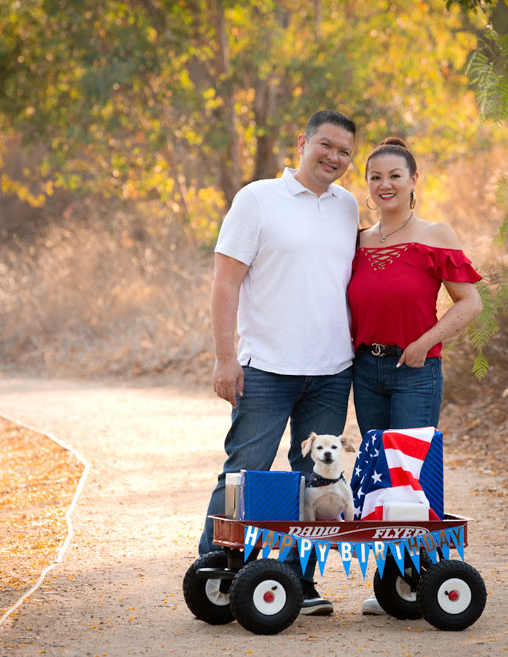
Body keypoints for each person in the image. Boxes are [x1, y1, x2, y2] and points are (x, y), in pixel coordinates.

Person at [199, 110, 359, 616]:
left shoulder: (348, 206)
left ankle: (297, 584)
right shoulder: (257, 199)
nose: (334, 157)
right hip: (265, 366)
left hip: (332, 369)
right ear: (302, 143)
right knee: (243, 475)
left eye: (345, 152)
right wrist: (226, 358)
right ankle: (215, 575)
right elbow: (225, 282)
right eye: (326, 145)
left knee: (313, 483)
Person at [347, 137, 483, 615]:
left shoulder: (435, 235)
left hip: (416, 370)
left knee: (413, 478)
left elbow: (470, 302)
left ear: (413, 181)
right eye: (375, 177)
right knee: (382, 476)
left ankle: (425, 583)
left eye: (394, 176)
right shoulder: (357, 240)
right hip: (366, 369)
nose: (385, 185)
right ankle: (392, 585)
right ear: (367, 186)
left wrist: (425, 342)